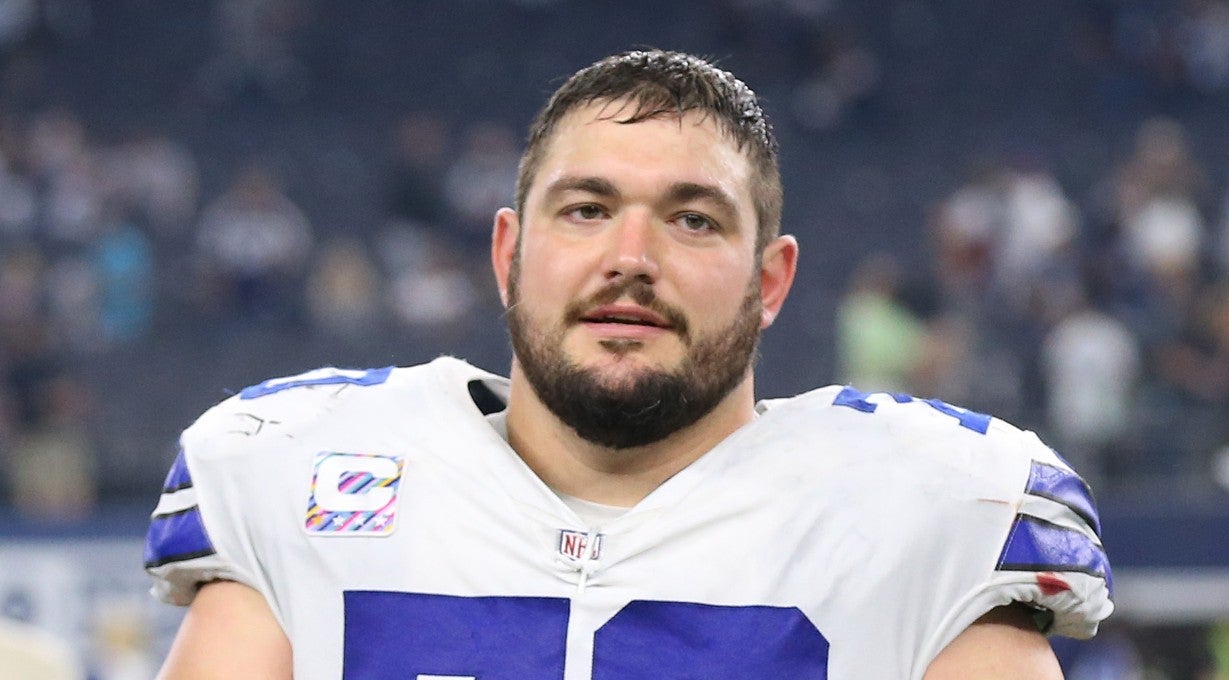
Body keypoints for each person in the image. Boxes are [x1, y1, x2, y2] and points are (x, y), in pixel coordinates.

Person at [144, 49, 1112, 679]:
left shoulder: (937, 509)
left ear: (770, 281)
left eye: (692, 218)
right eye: (586, 208)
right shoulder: (290, 471)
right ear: (505, 254)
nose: (630, 257)